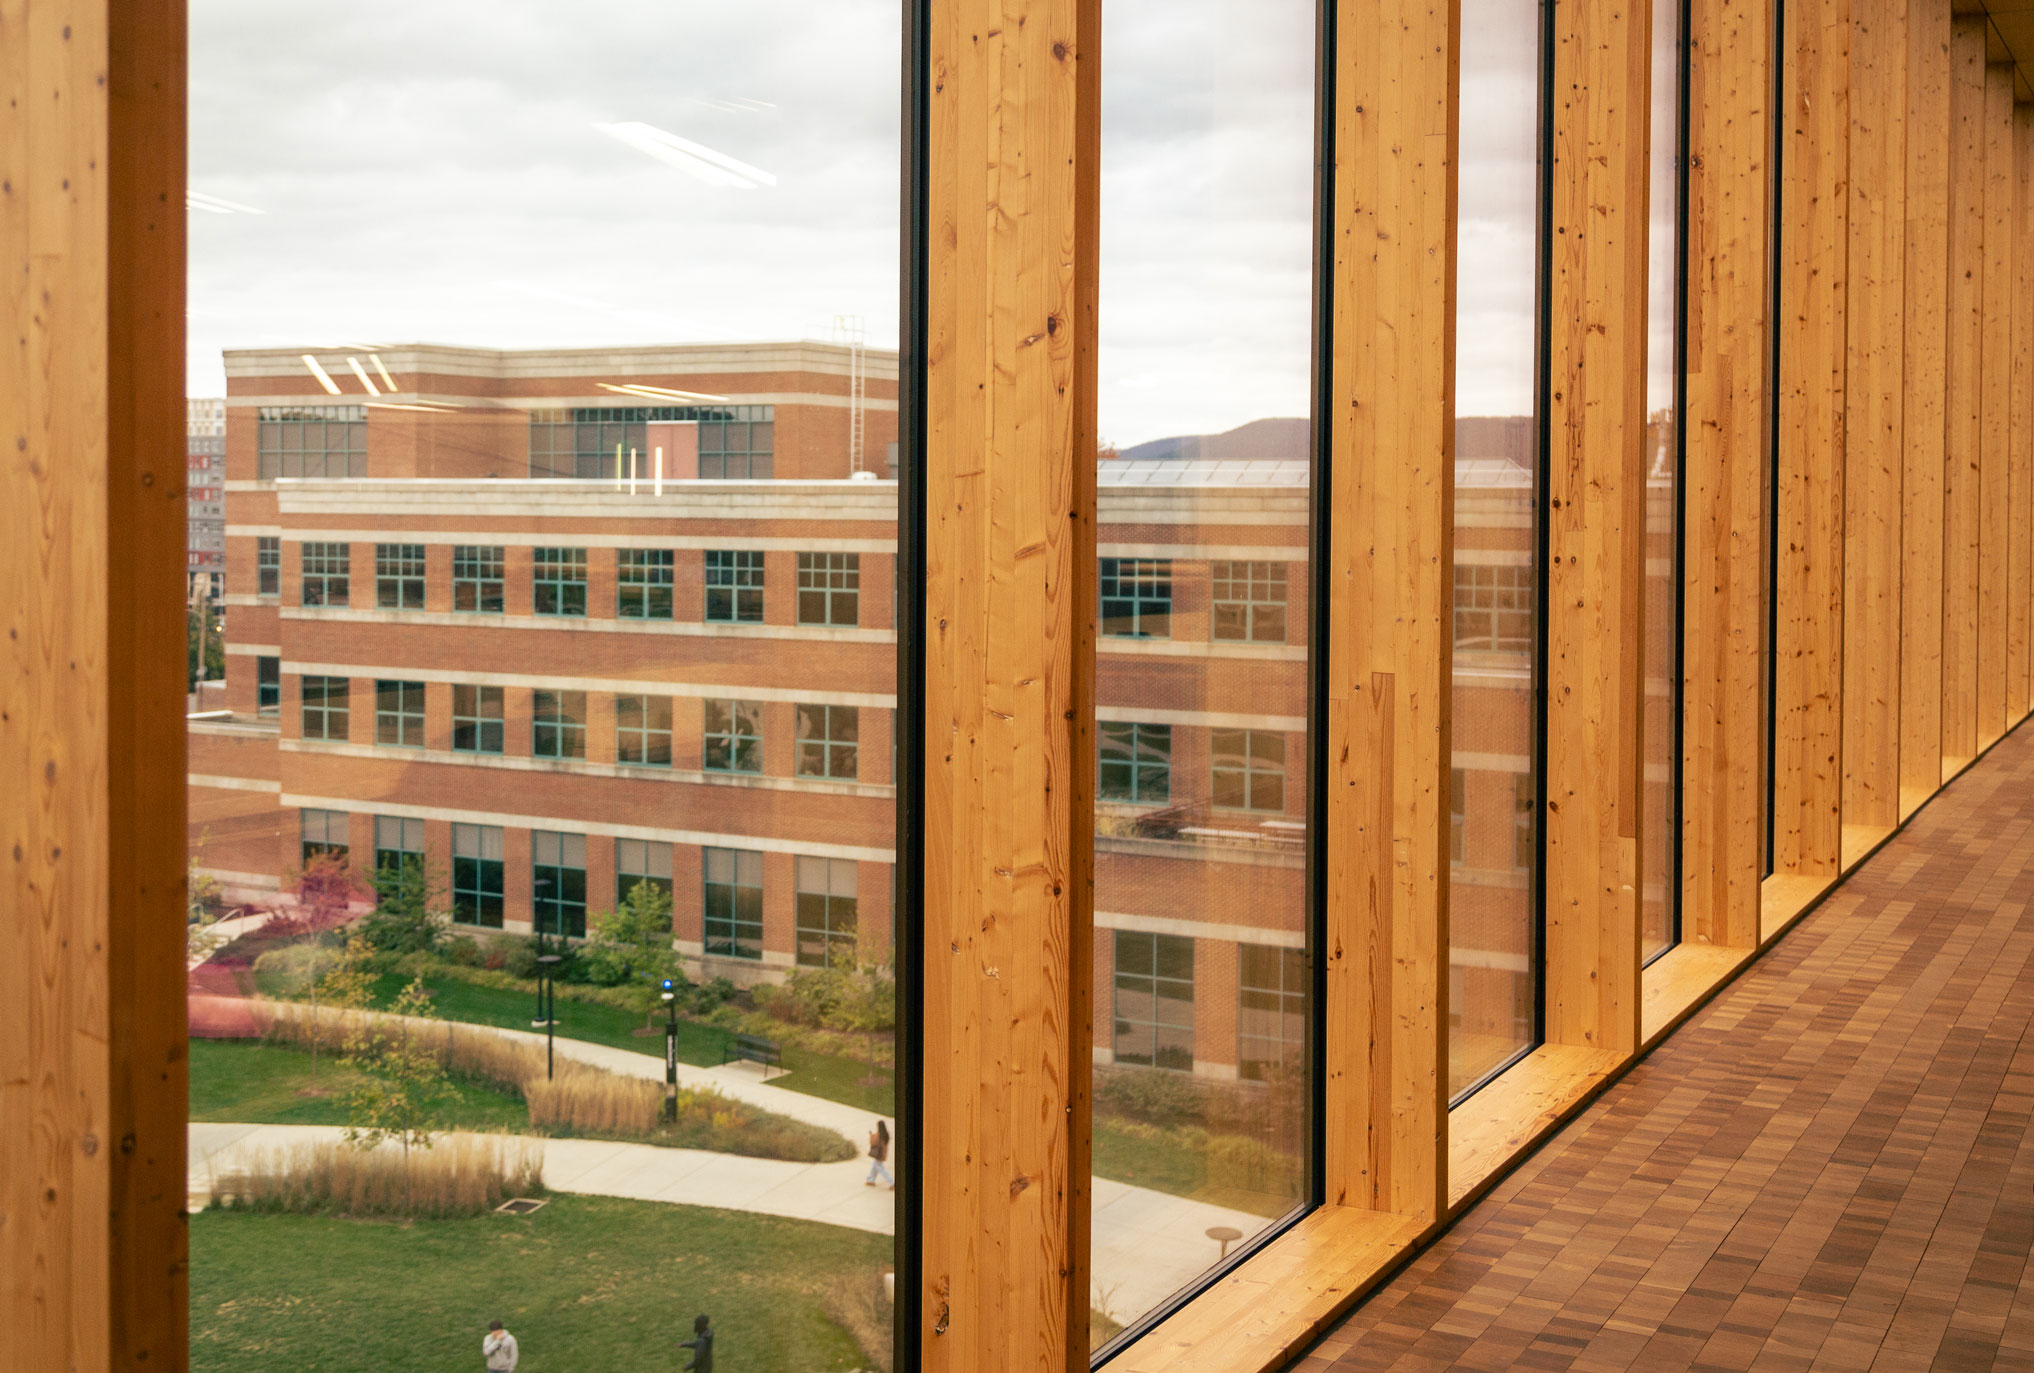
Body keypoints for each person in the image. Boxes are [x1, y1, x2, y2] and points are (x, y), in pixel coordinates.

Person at [865, 1117, 894, 1188]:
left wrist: (871, 1135)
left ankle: (892, 1182)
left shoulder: (879, 1135)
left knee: (881, 1169)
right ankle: (870, 1180)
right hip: (883, 1153)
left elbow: (873, 1142)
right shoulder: (886, 1134)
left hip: (878, 1154)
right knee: (875, 1166)